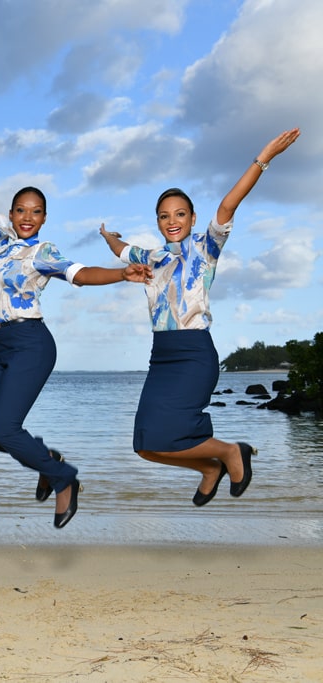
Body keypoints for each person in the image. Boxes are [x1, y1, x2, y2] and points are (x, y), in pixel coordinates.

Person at [0, 149, 151, 529]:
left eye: (36, 211)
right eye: (21, 210)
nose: (27, 217)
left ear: (44, 217)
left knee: (5, 428)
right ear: (10, 215)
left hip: (31, 343)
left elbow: (81, 274)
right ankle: (47, 460)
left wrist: (122, 274)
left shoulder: (43, 252)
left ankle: (64, 478)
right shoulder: (1, 243)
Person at [100, 128, 300, 507]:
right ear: (158, 222)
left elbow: (227, 206)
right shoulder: (152, 259)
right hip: (161, 357)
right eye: (164, 216)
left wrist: (263, 158)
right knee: (144, 443)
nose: (172, 220)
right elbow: (122, 250)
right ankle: (209, 469)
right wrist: (108, 236)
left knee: (172, 431)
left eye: (179, 214)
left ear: (192, 218)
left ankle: (228, 452)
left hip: (194, 353)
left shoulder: (204, 248)